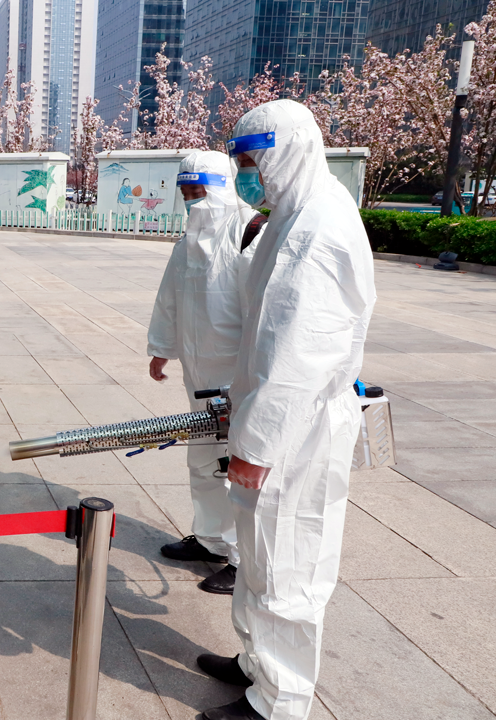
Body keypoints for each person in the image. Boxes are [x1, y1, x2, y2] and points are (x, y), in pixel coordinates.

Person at [196, 100, 376, 720]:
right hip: (274, 421)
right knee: (259, 558)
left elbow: (301, 353)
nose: (246, 174)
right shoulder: (291, 216)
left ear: (289, 151)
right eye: (241, 162)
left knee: (287, 567)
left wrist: (256, 444)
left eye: (253, 161)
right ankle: (256, 664)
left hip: (294, 432)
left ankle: (278, 701)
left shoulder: (317, 227)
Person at [147, 150, 259, 595]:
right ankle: (212, 539)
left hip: (238, 375)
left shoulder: (250, 232)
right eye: (186, 191)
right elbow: (169, 298)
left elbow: (265, 311)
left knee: (240, 464)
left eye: (199, 190)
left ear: (221, 187)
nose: (193, 199)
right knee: (204, 458)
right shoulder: (187, 241)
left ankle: (243, 559)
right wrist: (161, 349)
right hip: (199, 374)